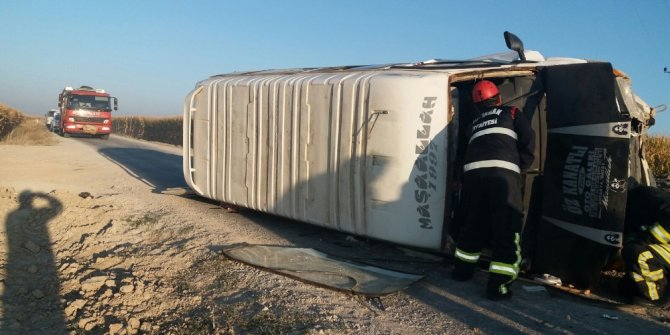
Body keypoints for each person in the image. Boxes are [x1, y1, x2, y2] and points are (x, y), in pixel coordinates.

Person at [451, 80, 535, 300]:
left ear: (477, 106)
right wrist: (519, 170)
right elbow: (528, 142)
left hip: (472, 178)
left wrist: (458, 177)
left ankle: (461, 273)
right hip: (501, 176)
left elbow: (462, 152)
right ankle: (499, 286)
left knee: (471, 225)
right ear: (499, 98)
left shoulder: (473, 123)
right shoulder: (513, 112)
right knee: (507, 229)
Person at [620, 183, 670, 306]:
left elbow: (653, 237)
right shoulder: (645, 199)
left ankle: (656, 296)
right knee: (626, 286)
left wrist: (633, 240)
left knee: (638, 253)